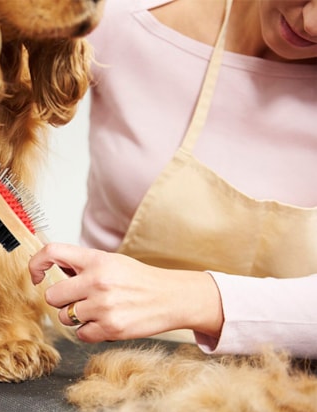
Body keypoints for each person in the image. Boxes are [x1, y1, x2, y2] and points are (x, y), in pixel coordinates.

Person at [29, 0, 317, 358]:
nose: (311, 23)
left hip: (289, 389)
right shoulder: (125, 19)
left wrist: (189, 299)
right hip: (102, 361)